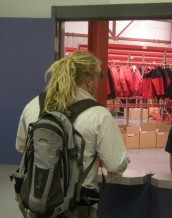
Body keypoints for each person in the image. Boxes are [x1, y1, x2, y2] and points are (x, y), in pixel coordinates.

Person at [15, 51, 130, 218]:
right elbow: (115, 165)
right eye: (100, 75)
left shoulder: (34, 105)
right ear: (89, 80)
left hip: (38, 203)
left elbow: (21, 147)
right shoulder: (98, 114)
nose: (100, 81)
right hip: (77, 208)